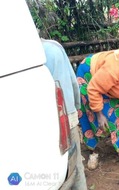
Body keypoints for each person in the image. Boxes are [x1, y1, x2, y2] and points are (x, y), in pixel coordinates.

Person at [41, 38, 88, 190]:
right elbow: (73, 82)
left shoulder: (21, 57)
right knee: (75, 164)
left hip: (41, 118)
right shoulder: (54, 48)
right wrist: (76, 107)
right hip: (67, 112)